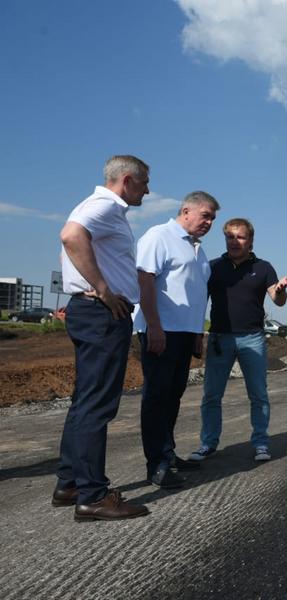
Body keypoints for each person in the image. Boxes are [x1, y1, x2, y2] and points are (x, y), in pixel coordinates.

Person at [53, 155, 150, 521]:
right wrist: (104, 289)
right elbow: (70, 235)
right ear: (127, 181)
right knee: (97, 406)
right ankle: (93, 495)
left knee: (85, 400)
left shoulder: (99, 206)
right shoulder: (105, 206)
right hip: (102, 314)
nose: (148, 190)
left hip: (92, 313)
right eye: (144, 183)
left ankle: (71, 483)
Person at [134, 191, 219, 488]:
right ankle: (155, 464)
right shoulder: (159, 236)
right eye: (205, 215)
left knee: (173, 396)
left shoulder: (198, 250)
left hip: (185, 334)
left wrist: (198, 335)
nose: (209, 222)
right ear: (186, 210)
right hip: (161, 332)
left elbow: (197, 296)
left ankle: (167, 454)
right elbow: (144, 280)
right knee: (156, 397)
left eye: (212, 218)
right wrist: (154, 326)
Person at [188, 218, 287, 463]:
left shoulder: (264, 268)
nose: (235, 242)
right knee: (212, 395)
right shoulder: (213, 267)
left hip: (252, 339)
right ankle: (208, 443)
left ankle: (261, 443)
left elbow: (278, 300)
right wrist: (195, 334)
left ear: (251, 241)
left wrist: (281, 290)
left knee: (258, 394)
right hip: (219, 339)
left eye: (240, 237)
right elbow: (199, 301)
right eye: (230, 237)